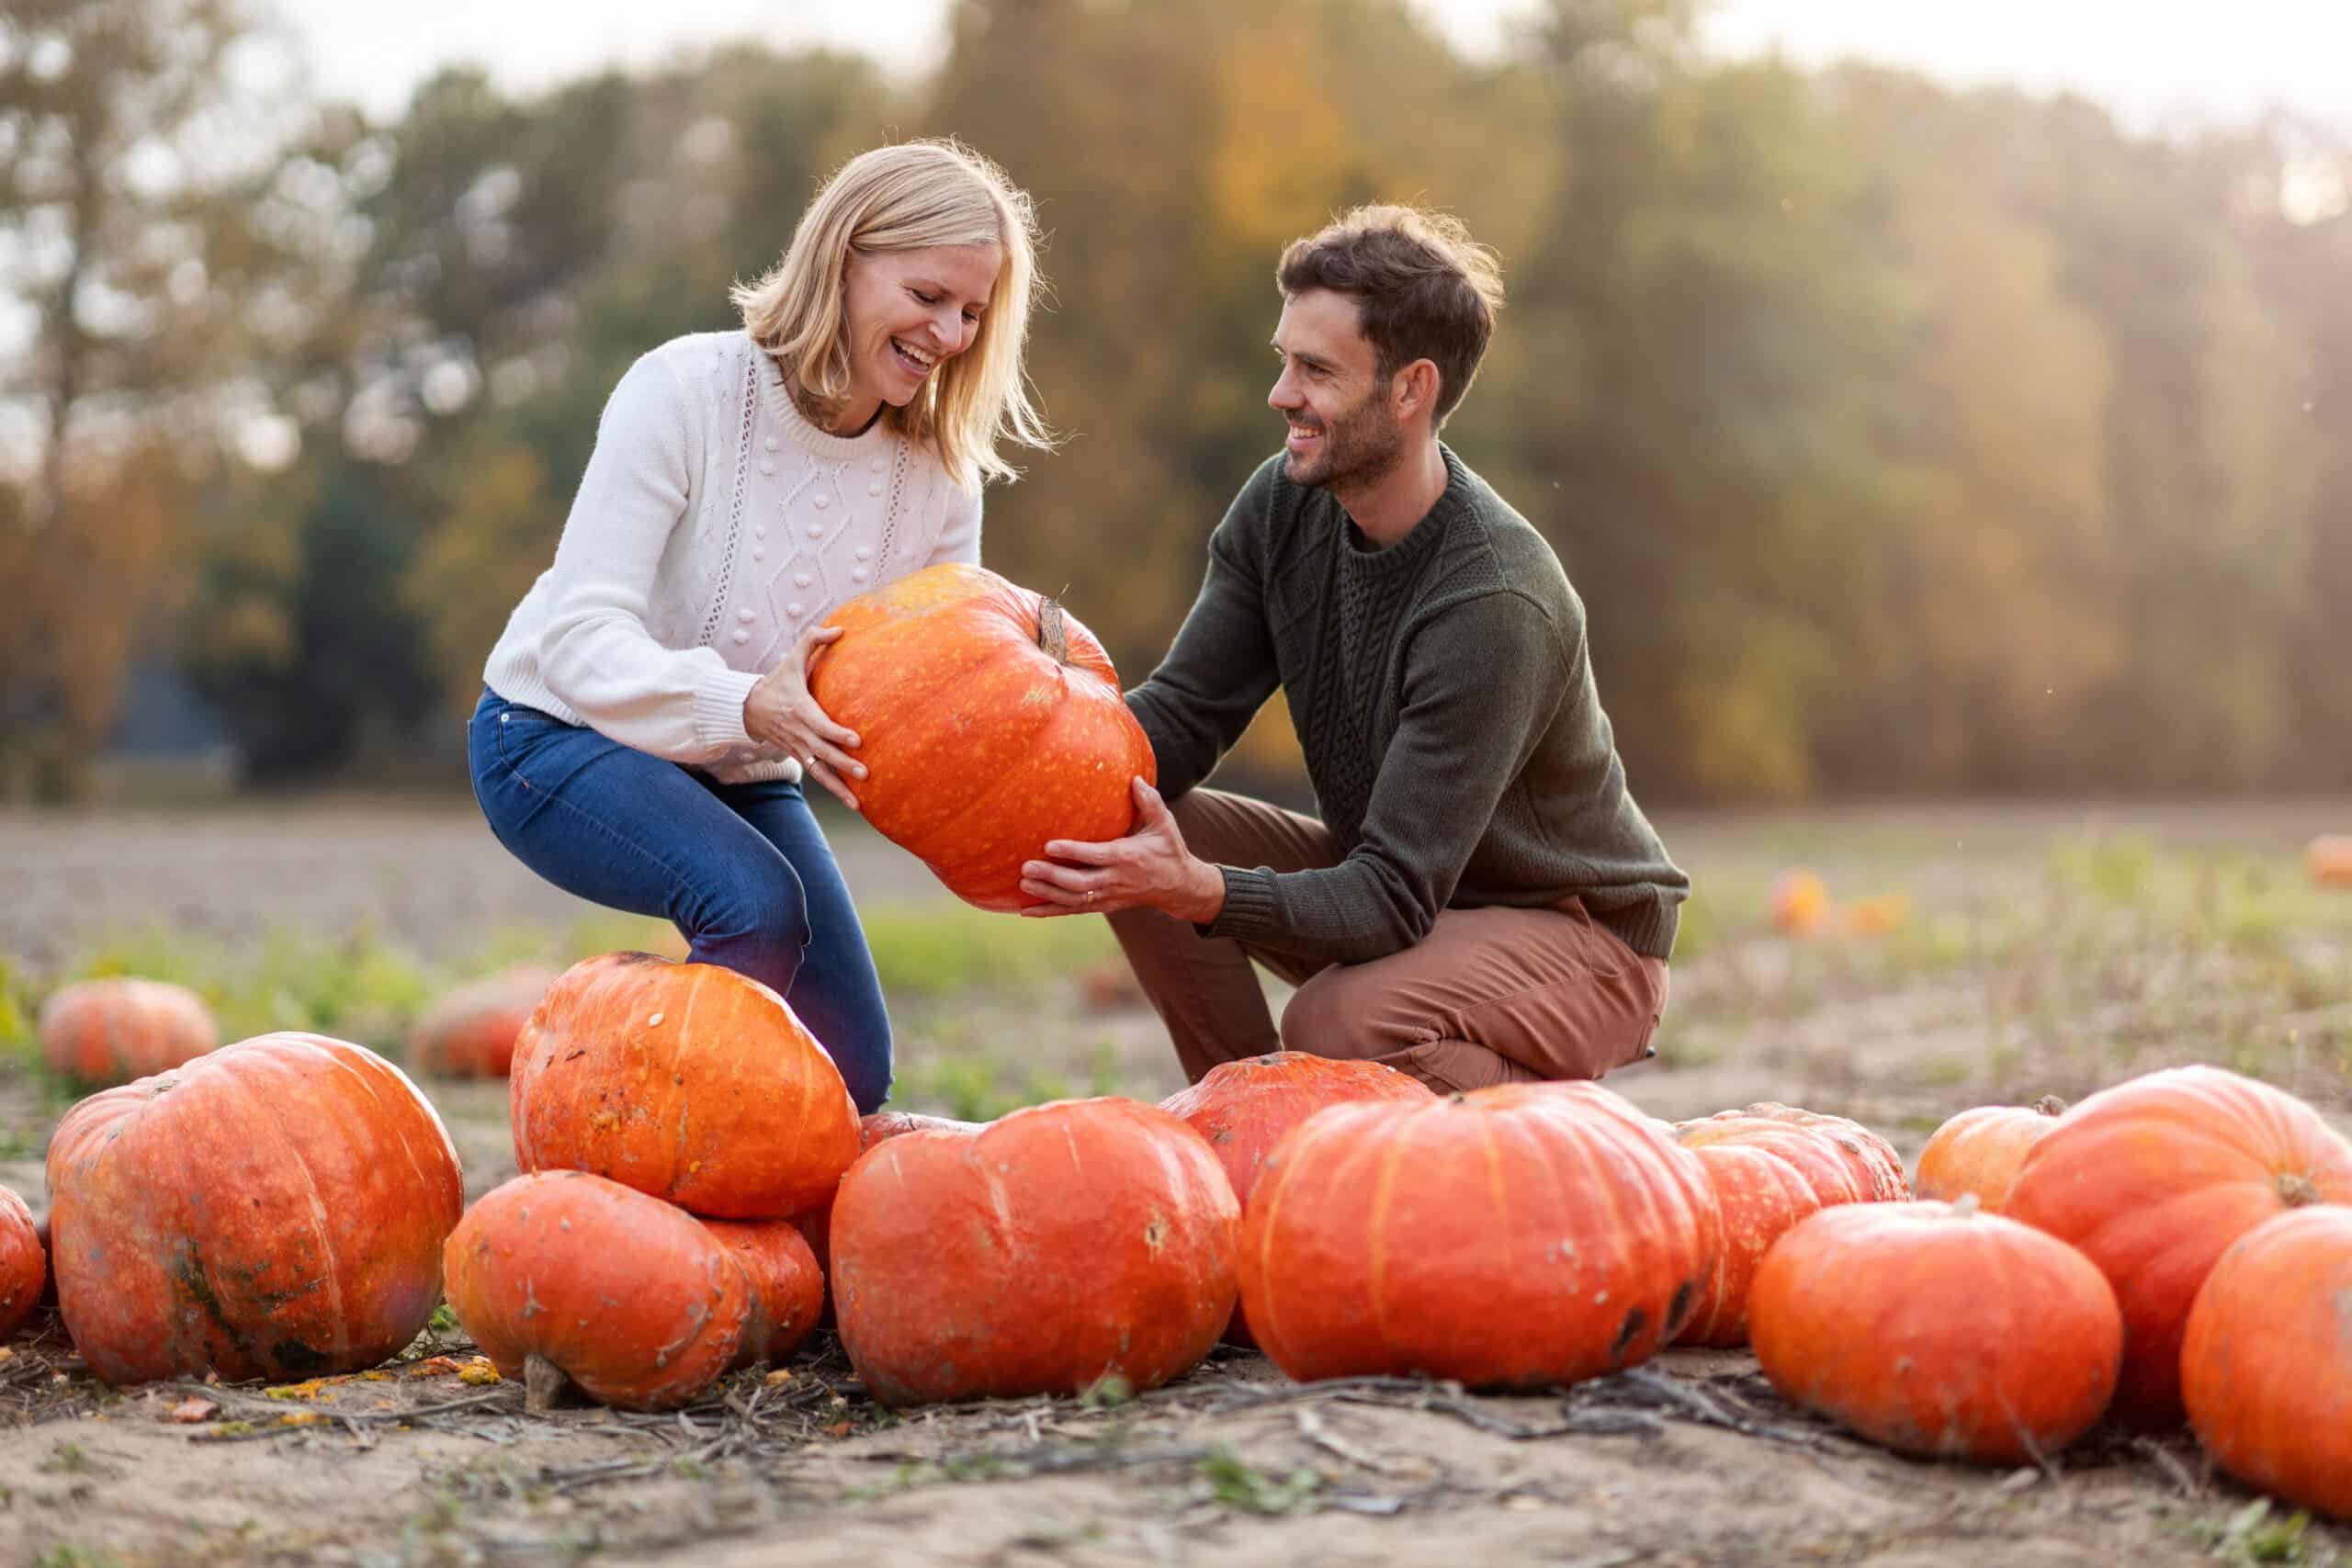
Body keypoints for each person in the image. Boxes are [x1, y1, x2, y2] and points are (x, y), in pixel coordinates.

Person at [1019, 205, 1689, 1093]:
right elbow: (1179, 717)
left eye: (1316, 370)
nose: (1281, 394)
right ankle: (1247, 1136)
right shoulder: (1284, 505)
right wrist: (1030, 761)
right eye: (1283, 361)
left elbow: (1389, 897)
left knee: (1336, 1022)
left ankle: (1556, 1135)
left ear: (1410, 390)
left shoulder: (1492, 600)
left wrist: (1202, 891)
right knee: (1138, 815)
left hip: (1578, 940)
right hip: (1420, 899)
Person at [469, 139, 1049, 1113]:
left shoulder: (939, 480)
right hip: (554, 736)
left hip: (737, 767)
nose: (949, 333)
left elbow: (937, 697)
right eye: (927, 295)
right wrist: (747, 702)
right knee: (755, 908)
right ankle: (656, 1186)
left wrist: (1018, 820)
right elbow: (577, 639)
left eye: (972, 313)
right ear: (845, 259)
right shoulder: (686, 391)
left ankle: (746, 1207)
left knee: (850, 1075)